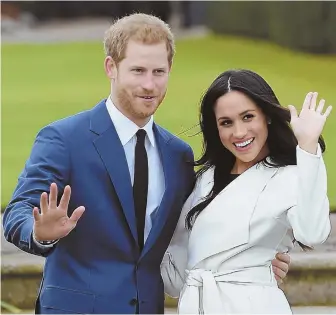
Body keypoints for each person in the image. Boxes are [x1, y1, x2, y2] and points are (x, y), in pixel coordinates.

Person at [2, 14, 289, 314]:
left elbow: (196, 232)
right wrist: (39, 233)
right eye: (138, 70)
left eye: (158, 71)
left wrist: (253, 258)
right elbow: (17, 213)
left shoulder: (178, 155)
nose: (149, 84)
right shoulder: (63, 139)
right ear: (111, 67)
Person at [161, 69, 332, 314]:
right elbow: (175, 274)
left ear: (267, 116)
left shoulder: (290, 177)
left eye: (248, 117)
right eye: (226, 122)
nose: (239, 133)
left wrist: (307, 146)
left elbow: (313, 233)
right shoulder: (204, 180)